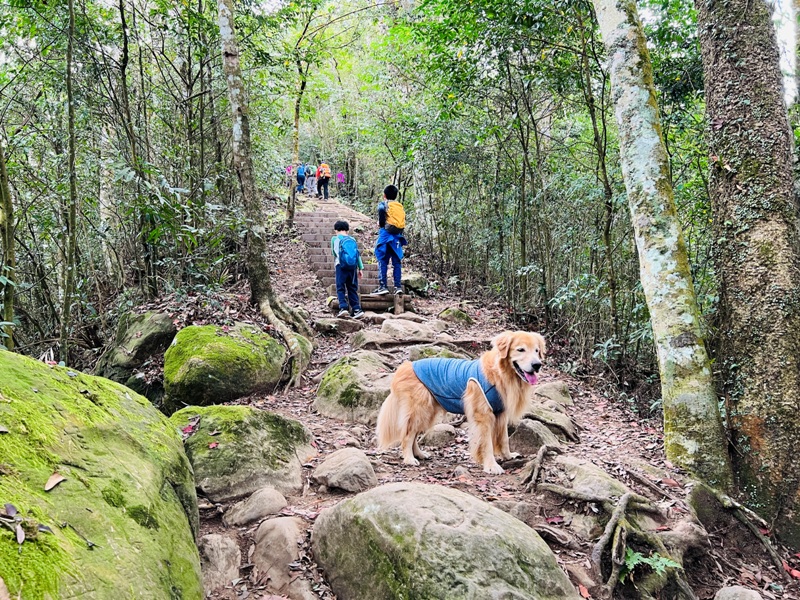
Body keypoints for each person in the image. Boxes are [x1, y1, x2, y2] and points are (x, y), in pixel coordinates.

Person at [372, 184, 407, 296]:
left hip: (386, 235)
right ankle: (397, 287)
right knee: (396, 261)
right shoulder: (399, 206)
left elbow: (381, 210)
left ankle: (383, 286)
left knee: (382, 259)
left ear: (384, 195)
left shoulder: (384, 204)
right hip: (397, 236)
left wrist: (381, 224)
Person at [331, 221, 365, 318]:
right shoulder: (352, 239)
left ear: (336, 230)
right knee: (352, 288)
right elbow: (357, 255)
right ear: (347, 230)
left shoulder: (335, 239)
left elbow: (334, 253)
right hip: (353, 267)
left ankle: (343, 308)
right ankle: (357, 309)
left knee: (340, 287)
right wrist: (360, 268)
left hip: (340, 266)